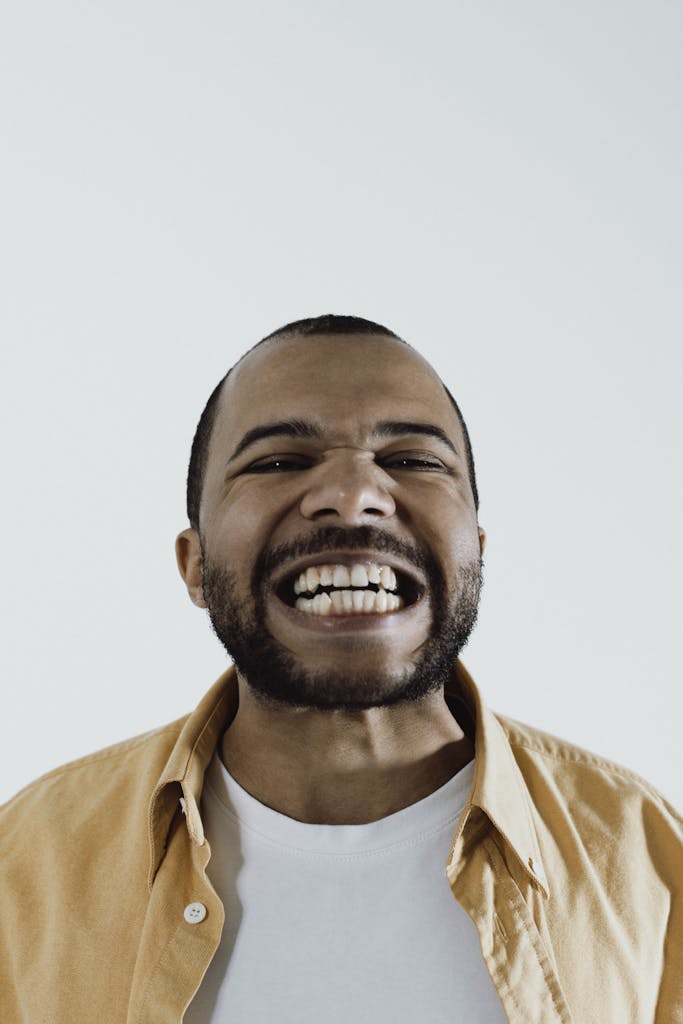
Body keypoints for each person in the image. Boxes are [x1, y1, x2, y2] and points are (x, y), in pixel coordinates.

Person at [1, 314, 681, 1023]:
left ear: (475, 551)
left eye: (414, 460)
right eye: (278, 462)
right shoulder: (24, 869)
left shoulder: (649, 862)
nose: (355, 494)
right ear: (195, 565)